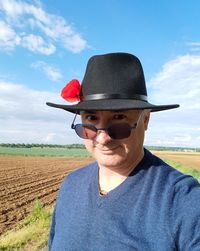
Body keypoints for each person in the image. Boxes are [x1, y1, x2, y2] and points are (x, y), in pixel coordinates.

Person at [46, 53, 200, 251]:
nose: (102, 138)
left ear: (145, 120)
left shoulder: (182, 200)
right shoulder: (70, 185)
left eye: (119, 117)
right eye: (91, 119)